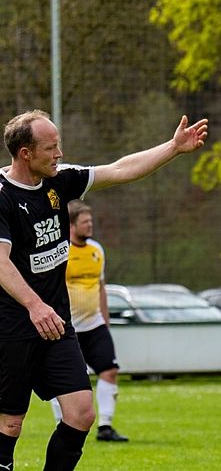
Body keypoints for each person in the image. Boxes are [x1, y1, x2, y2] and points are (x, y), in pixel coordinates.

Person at [0, 110, 207, 470]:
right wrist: (34, 305)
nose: (59, 153)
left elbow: (120, 169)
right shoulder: (2, 197)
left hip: (55, 326)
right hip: (12, 328)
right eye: (51, 147)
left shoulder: (58, 180)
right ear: (25, 153)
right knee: (10, 425)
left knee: (81, 414)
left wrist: (173, 148)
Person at [49, 201, 128, 442]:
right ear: (71, 226)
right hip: (67, 327)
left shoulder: (97, 250)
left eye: (91, 221)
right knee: (66, 380)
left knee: (110, 371)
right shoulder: (61, 250)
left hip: (95, 325)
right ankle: (63, 425)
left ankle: (105, 426)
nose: (90, 225)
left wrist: (105, 318)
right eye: (85, 222)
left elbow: (101, 287)